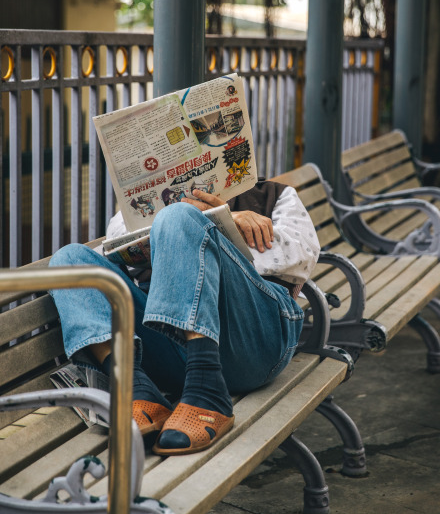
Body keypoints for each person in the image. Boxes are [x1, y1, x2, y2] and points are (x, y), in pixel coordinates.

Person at [49, 179, 320, 456]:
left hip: (251, 340)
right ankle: (135, 386)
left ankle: (208, 388)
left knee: (178, 216)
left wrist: (218, 226)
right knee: (68, 259)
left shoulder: (276, 195)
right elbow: (115, 246)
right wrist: (178, 229)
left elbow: (302, 256)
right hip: (170, 348)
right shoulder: (142, 201)